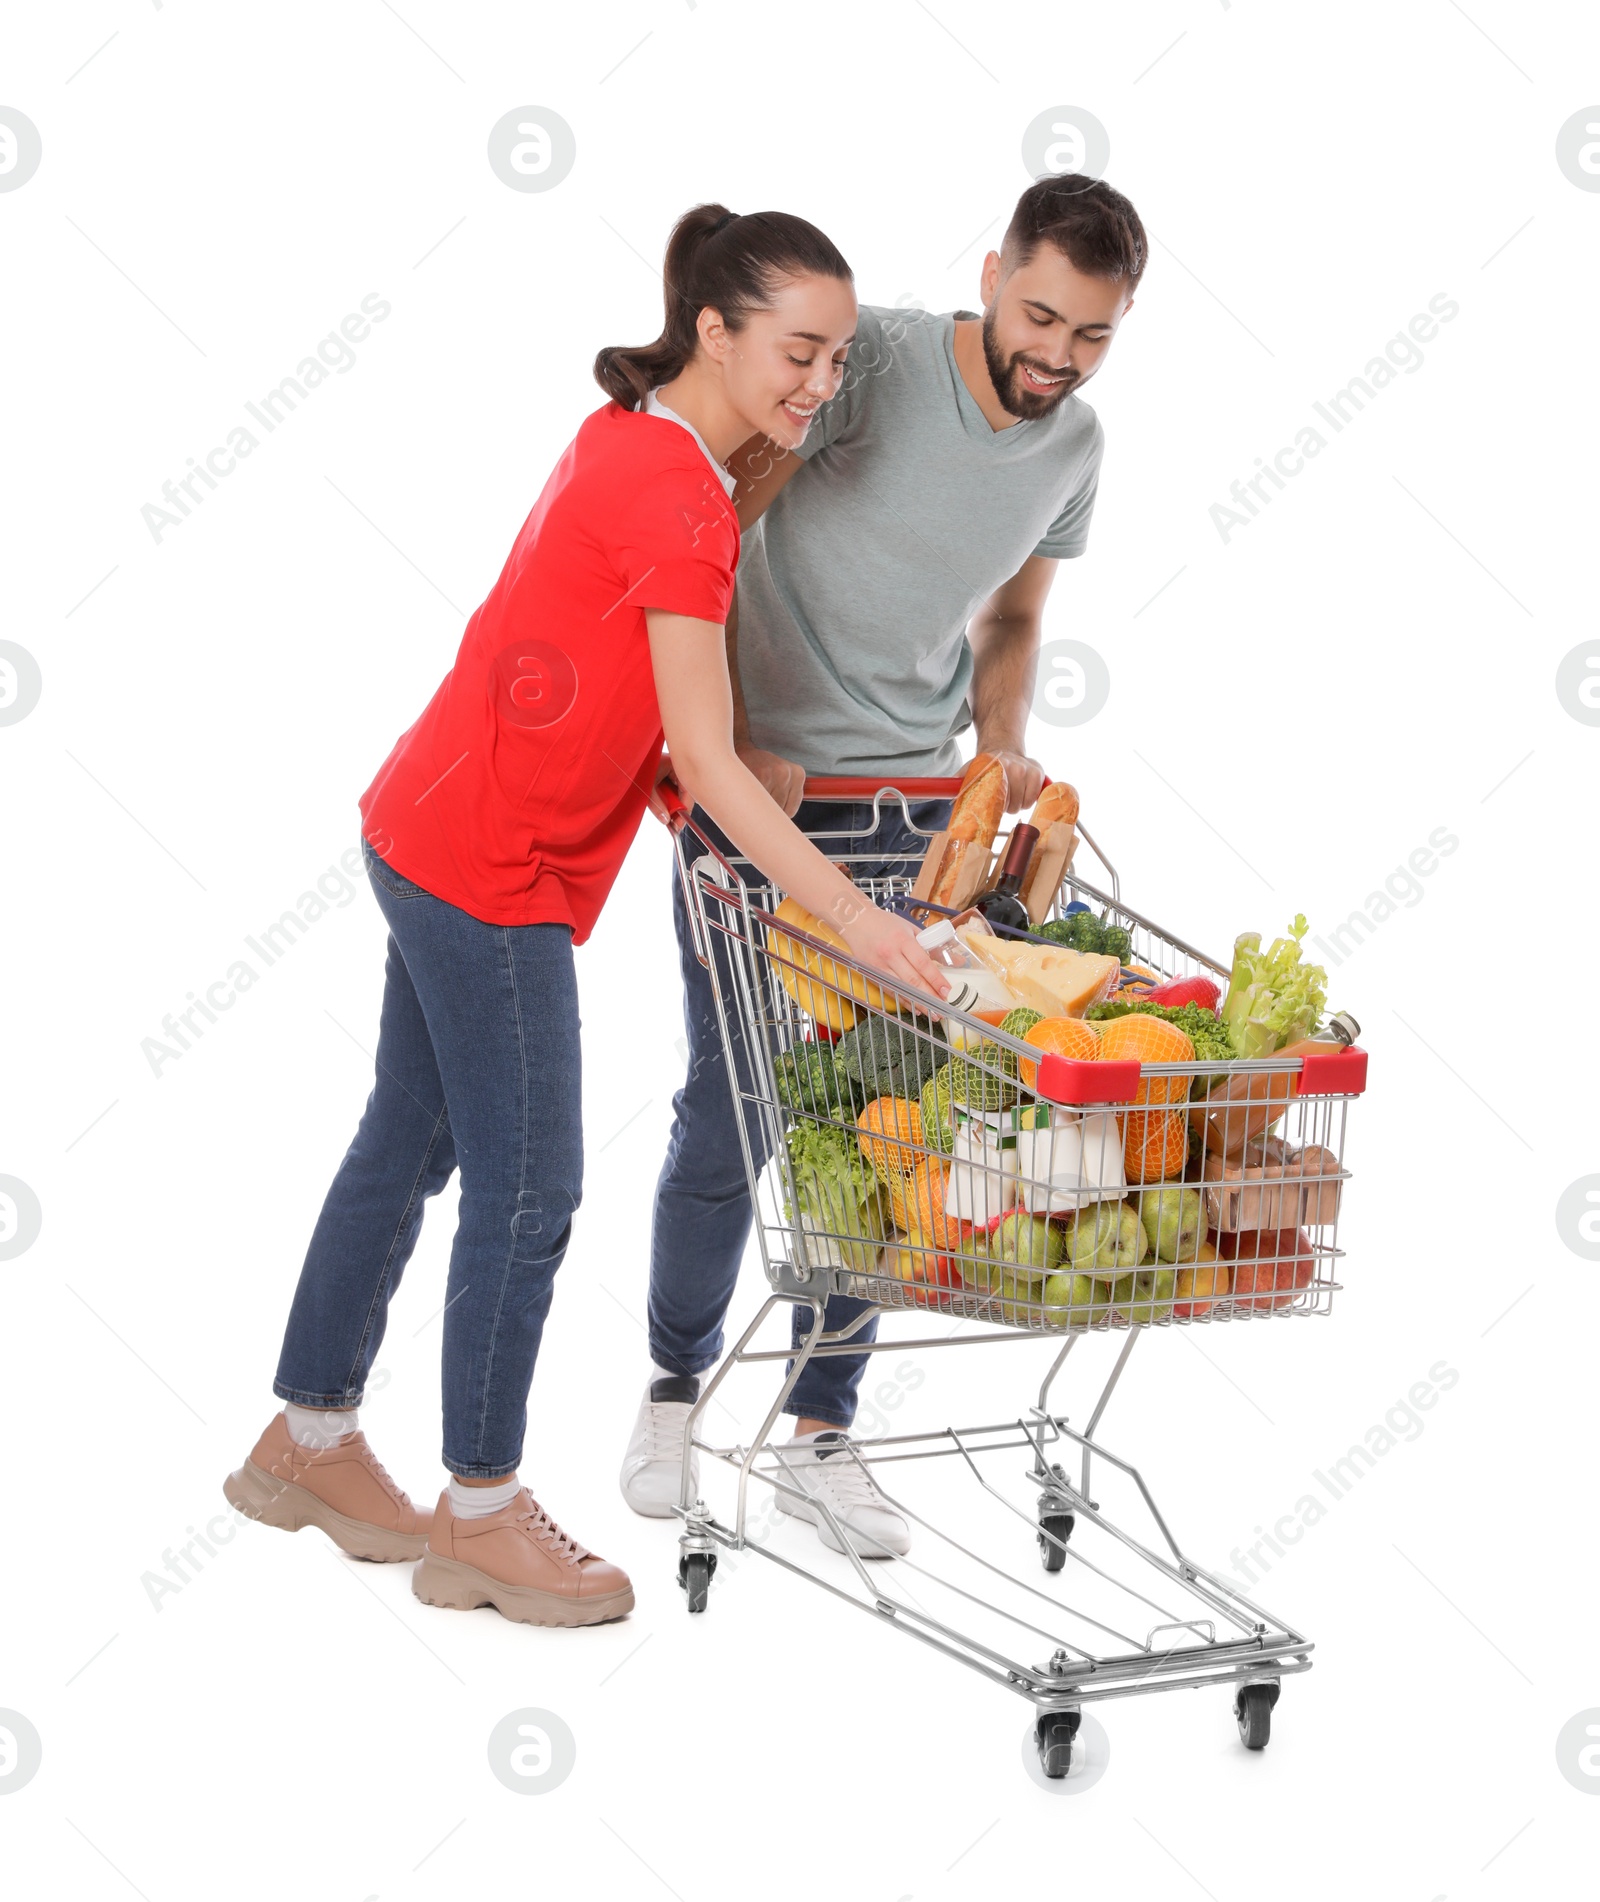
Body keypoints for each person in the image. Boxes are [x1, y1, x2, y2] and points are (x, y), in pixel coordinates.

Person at [222, 203, 948, 1629]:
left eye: (840, 360)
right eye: (798, 352)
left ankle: (306, 1439)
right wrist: (857, 922)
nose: (819, 382)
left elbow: (616, 689)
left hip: (431, 818)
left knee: (411, 1134)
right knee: (533, 1187)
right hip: (489, 866)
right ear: (718, 332)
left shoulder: (631, 435)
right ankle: (480, 1516)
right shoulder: (683, 502)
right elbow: (714, 762)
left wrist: (705, 770)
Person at [621, 174, 1147, 1557]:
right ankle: (675, 1391)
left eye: (1091, 334)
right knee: (735, 1105)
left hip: (918, 819)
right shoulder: (885, 361)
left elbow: (1016, 615)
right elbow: (718, 499)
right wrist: (722, 731)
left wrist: (1006, 742)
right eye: (1041, 315)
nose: (1057, 355)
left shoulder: (1074, 444)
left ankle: (818, 1431)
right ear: (991, 273)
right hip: (764, 798)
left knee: (881, 1126)